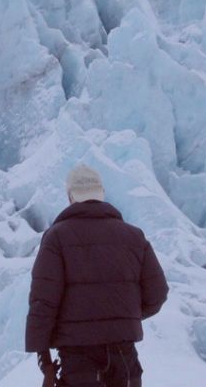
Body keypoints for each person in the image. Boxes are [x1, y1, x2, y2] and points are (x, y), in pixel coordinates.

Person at [25, 164, 169, 387]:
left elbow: (43, 301)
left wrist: (43, 356)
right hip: (125, 356)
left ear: (71, 196)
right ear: (101, 194)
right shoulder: (133, 236)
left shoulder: (56, 238)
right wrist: (122, 318)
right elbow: (157, 293)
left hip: (78, 360)